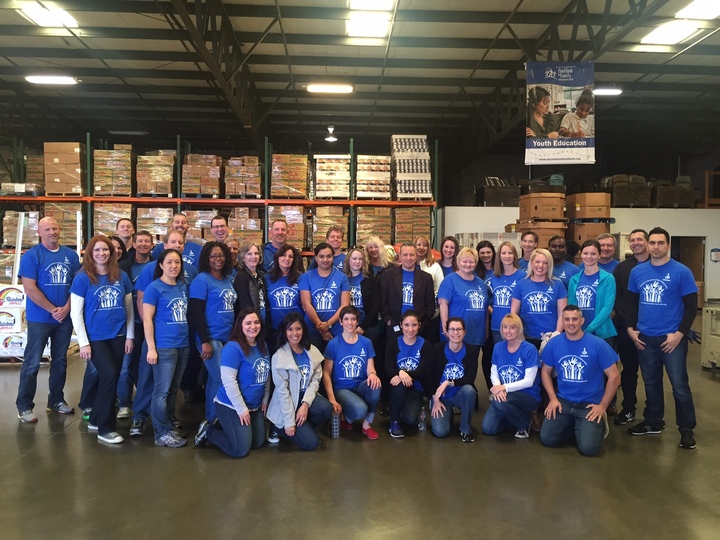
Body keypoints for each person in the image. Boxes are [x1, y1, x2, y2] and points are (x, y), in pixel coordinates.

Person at [626, 227, 698, 450]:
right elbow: (631, 303)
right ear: (647, 245)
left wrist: (679, 335)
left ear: (668, 245)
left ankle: (686, 430)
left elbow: (691, 307)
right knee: (651, 383)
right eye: (653, 243)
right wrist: (631, 329)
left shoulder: (681, 272)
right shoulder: (638, 272)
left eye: (660, 243)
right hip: (645, 338)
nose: (656, 247)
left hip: (671, 340)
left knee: (679, 386)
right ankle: (653, 421)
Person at [129, 230, 198, 437]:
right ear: (164, 245)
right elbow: (143, 304)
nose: (177, 245)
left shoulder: (188, 276)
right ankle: (141, 419)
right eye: (173, 242)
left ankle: (166, 419)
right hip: (158, 340)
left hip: (181, 341)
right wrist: (151, 342)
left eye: (181, 243)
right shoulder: (151, 274)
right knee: (150, 382)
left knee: (170, 386)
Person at [69, 236, 134, 444]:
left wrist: (130, 335)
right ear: (90, 253)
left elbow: (129, 309)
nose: (101, 254)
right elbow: (75, 313)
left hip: (118, 335)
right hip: (96, 338)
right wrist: (83, 342)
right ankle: (106, 429)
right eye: (97, 250)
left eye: (105, 250)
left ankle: (96, 418)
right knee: (109, 376)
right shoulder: (82, 278)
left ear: (112, 252)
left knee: (111, 378)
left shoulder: (121, 276)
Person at [16, 216, 80, 423]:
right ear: (39, 232)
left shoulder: (71, 255)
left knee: (60, 361)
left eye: (55, 228)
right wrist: (54, 309)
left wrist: (67, 308)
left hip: (64, 318)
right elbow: (29, 288)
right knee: (32, 362)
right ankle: (24, 406)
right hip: (40, 319)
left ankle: (56, 400)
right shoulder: (32, 256)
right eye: (48, 229)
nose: (52, 232)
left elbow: (77, 285)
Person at [540, 306, 620, 457]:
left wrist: (602, 406)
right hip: (564, 401)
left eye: (575, 319)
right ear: (562, 321)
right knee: (547, 439)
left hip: (589, 404)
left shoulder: (598, 344)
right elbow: (545, 371)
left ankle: (594, 424)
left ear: (582, 321)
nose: (571, 323)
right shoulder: (554, 343)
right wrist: (552, 399)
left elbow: (615, 376)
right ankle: (577, 425)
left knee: (588, 449)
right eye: (567, 319)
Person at [198, 308, 271, 457]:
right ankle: (209, 431)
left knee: (257, 443)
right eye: (248, 323)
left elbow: (266, 374)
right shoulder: (232, 348)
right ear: (240, 325)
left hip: (254, 405)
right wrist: (241, 409)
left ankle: (228, 427)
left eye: (256, 322)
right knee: (240, 450)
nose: (253, 326)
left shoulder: (263, 345)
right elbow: (228, 381)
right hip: (231, 404)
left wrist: (265, 398)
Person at [143, 248, 191, 448]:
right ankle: (160, 432)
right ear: (161, 265)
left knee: (173, 388)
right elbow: (147, 319)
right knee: (161, 390)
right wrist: (151, 348)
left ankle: (169, 423)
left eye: (177, 263)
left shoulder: (182, 286)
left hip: (183, 344)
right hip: (164, 347)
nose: (174, 266)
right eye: (169, 262)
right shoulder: (154, 288)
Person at [263, 313, 333, 450]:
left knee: (326, 408)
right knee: (311, 443)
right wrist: (289, 422)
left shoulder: (312, 351)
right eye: (290, 329)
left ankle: (302, 425)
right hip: (288, 401)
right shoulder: (279, 357)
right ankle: (279, 428)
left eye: (298, 329)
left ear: (304, 330)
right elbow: (282, 392)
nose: (294, 333)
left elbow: (315, 381)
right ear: (284, 332)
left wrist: (305, 405)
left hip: (303, 398)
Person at [189, 242, 237, 428]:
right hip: (210, 338)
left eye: (221, 255)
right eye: (213, 256)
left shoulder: (227, 278)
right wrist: (204, 341)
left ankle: (211, 418)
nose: (218, 259)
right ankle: (214, 420)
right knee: (221, 378)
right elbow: (196, 313)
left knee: (213, 379)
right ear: (206, 259)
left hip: (226, 337)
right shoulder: (202, 280)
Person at [323, 306, 382, 440]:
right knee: (360, 410)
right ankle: (346, 415)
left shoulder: (366, 342)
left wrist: (373, 374)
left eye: (353, 319)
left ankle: (366, 425)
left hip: (360, 385)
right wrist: (332, 400)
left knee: (376, 384)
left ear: (357, 321)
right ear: (341, 322)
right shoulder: (333, 344)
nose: (350, 322)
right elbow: (326, 374)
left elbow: (370, 368)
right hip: (342, 389)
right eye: (346, 319)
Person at [612, 229, 650, 426]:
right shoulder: (621, 269)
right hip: (627, 330)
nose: (636, 243)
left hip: (653, 331)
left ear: (647, 242)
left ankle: (653, 413)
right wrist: (629, 326)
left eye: (640, 239)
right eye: (632, 240)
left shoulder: (657, 265)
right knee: (629, 371)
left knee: (653, 374)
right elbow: (618, 300)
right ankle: (628, 408)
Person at [481, 314, 540, 439]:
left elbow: (529, 381)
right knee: (488, 428)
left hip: (528, 395)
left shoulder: (529, 349)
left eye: (512, 327)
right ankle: (512, 417)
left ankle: (524, 423)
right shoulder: (498, 347)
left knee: (500, 402)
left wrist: (503, 388)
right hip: (505, 394)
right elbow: (494, 372)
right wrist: (498, 387)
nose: (508, 331)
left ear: (519, 329)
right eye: (505, 327)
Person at [116, 230, 155, 420]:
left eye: (147, 241)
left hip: (150, 323)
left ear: (152, 244)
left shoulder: (158, 265)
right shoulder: (124, 266)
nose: (143, 244)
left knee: (144, 365)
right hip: (128, 322)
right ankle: (124, 403)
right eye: (140, 241)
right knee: (126, 364)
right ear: (135, 244)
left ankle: (143, 401)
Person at [428, 317, 479, 442]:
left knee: (469, 390)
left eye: (459, 329)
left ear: (464, 332)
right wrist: (435, 398)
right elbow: (428, 376)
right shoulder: (437, 349)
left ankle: (465, 429)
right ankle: (447, 413)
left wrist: (448, 382)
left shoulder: (472, 350)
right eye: (452, 329)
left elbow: (470, 378)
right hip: (441, 397)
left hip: (460, 394)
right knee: (440, 432)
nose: (455, 333)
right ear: (446, 332)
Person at [385, 310, 432, 438]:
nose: (410, 329)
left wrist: (402, 374)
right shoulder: (393, 343)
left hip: (415, 388)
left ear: (419, 325)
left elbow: (422, 371)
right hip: (397, 387)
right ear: (401, 325)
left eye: (414, 325)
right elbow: (388, 369)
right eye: (406, 325)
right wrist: (400, 373)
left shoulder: (425, 345)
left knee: (410, 419)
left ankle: (403, 409)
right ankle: (393, 422)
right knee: (399, 384)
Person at [511, 248, 567, 349]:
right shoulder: (521, 284)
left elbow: (562, 314)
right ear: (531, 263)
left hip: (550, 337)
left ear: (549, 265)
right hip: (526, 337)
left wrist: (557, 333)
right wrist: (517, 334)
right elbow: (514, 312)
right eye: (537, 261)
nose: (540, 266)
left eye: (545, 263)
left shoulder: (558, 285)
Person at [299, 242, 351, 352]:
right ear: (316, 258)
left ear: (333, 258)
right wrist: (322, 328)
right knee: (315, 364)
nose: (325, 260)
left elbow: (345, 305)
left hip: (336, 329)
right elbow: (306, 304)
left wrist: (328, 325)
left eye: (329, 256)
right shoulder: (306, 277)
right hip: (312, 329)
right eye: (321, 256)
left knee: (335, 363)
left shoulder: (342, 277)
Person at [380, 243, 435, 338]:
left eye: (412, 255)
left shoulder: (426, 278)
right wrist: (388, 320)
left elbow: (430, 306)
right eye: (405, 255)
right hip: (394, 326)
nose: (408, 258)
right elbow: (382, 301)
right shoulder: (387, 276)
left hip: (417, 329)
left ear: (416, 256)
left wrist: (422, 324)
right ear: (399, 256)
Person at [437, 247, 489, 348]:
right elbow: (443, 304)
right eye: (464, 261)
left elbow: (485, 309)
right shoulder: (450, 280)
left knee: (472, 363)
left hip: (476, 334)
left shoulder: (481, 283)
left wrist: (486, 329)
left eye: (471, 262)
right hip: (455, 335)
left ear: (476, 263)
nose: (468, 264)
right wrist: (445, 327)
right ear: (458, 262)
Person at [567, 239, 617, 341]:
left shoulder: (608, 278)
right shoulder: (574, 279)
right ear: (581, 254)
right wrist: (577, 328)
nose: (589, 257)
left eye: (593, 254)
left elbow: (607, 308)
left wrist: (589, 329)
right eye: (585, 253)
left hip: (602, 333)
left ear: (599, 255)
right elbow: (571, 306)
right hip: (578, 331)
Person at [266, 243, 304, 353]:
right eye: (283, 255)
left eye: (290, 256)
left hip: (296, 331)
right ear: (277, 258)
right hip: (275, 330)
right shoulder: (267, 278)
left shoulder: (301, 278)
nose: (287, 259)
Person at [488, 242, 525, 343]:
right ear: (499, 256)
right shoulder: (494, 276)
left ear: (515, 256)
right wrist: (493, 311)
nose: (507, 256)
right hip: (497, 325)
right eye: (504, 253)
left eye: (510, 253)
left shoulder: (522, 276)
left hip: (515, 326)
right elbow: (490, 300)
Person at [232, 241, 268, 326]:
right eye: (249, 254)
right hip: (250, 324)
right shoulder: (241, 277)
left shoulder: (260, 275)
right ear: (243, 258)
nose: (254, 257)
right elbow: (245, 306)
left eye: (256, 253)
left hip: (263, 322)